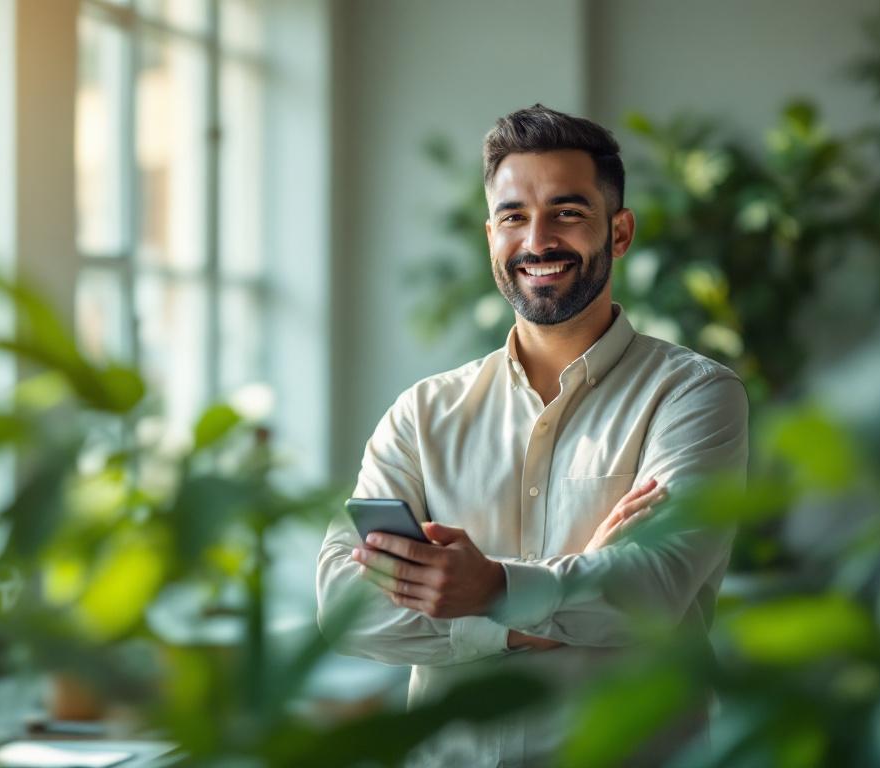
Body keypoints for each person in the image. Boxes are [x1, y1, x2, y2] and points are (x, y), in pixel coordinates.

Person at [315, 104, 749, 766]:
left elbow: (654, 588)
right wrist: (531, 614)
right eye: (514, 217)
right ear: (491, 235)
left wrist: (488, 590)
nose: (537, 240)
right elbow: (345, 606)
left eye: (568, 212)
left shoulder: (692, 394)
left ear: (621, 231)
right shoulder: (421, 414)